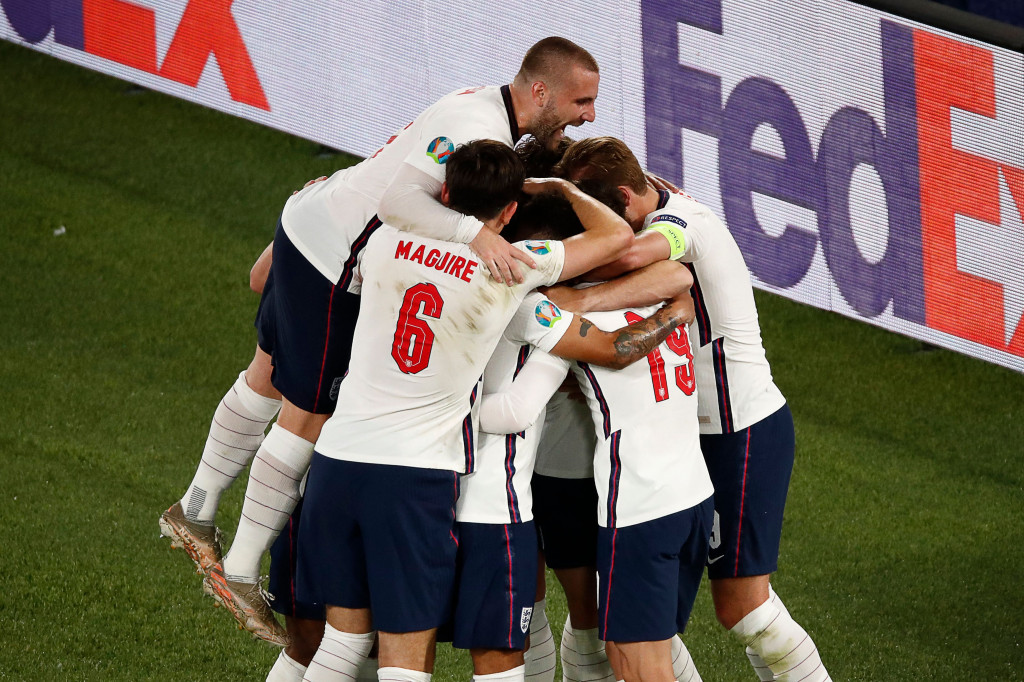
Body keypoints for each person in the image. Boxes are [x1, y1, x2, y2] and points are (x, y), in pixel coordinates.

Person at [158, 36, 603, 648]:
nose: (589, 115)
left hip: (313, 223)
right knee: (306, 415)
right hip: (335, 258)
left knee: (266, 374)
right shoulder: (477, 126)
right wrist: (477, 235)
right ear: (542, 91)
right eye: (581, 102)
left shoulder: (477, 107)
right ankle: (238, 568)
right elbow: (397, 200)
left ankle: (196, 507)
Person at [292, 140, 693, 682]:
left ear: (446, 193)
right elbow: (616, 270)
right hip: (428, 486)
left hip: (336, 462)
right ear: (508, 212)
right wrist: (676, 311)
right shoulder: (516, 274)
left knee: (342, 645)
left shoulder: (384, 237)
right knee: (420, 664)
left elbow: (394, 201)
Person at [553, 136, 832, 682]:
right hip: (686, 441)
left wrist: (569, 291)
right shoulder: (648, 202)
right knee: (642, 619)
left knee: (744, 609)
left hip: (740, 430)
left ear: (626, 199)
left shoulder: (682, 223)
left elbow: (628, 255)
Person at [449, 192, 697, 682]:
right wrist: (673, 315)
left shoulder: (444, 264)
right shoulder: (536, 307)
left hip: (440, 480)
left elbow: (675, 275)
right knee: (596, 633)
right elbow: (617, 344)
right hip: (514, 494)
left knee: (387, 642)